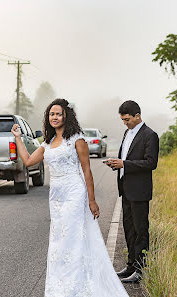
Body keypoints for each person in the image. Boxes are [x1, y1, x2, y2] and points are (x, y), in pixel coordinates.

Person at [11, 98, 129, 297]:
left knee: (73, 239)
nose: (54, 117)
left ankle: (78, 286)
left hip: (75, 192)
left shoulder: (76, 138)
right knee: (59, 241)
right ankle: (62, 286)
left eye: (58, 114)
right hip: (56, 196)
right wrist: (18, 138)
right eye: (51, 114)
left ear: (66, 116)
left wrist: (91, 200)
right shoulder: (47, 143)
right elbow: (29, 161)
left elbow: (87, 171)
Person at [105, 100, 159, 283]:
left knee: (140, 230)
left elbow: (151, 163)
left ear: (138, 116)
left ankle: (140, 269)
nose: (125, 123)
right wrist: (117, 164)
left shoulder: (150, 135)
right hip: (126, 189)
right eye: (122, 120)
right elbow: (126, 159)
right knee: (128, 229)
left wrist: (124, 164)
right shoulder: (127, 133)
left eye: (127, 119)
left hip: (140, 191)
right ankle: (130, 266)